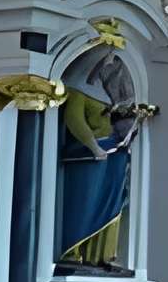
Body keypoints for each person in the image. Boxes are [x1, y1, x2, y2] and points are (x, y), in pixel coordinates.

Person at [56, 51, 139, 270]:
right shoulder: (78, 87)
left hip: (113, 152)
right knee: (85, 201)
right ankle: (73, 251)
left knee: (113, 200)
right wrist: (93, 146)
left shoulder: (110, 94)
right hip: (88, 156)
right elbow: (74, 119)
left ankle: (103, 254)